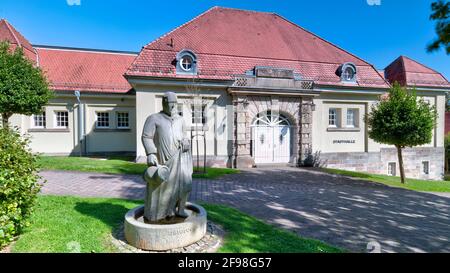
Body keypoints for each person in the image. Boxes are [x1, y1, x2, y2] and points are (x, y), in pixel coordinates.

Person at [142, 92, 193, 222]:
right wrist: (150, 153)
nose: (172, 107)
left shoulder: (180, 120)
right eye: (169, 104)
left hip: (180, 157)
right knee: (161, 187)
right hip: (163, 160)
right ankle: (157, 214)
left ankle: (180, 209)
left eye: (174, 104)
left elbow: (185, 135)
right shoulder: (154, 118)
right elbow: (146, 137)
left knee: (185, 184)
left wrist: (186, 141)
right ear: (163, 103)